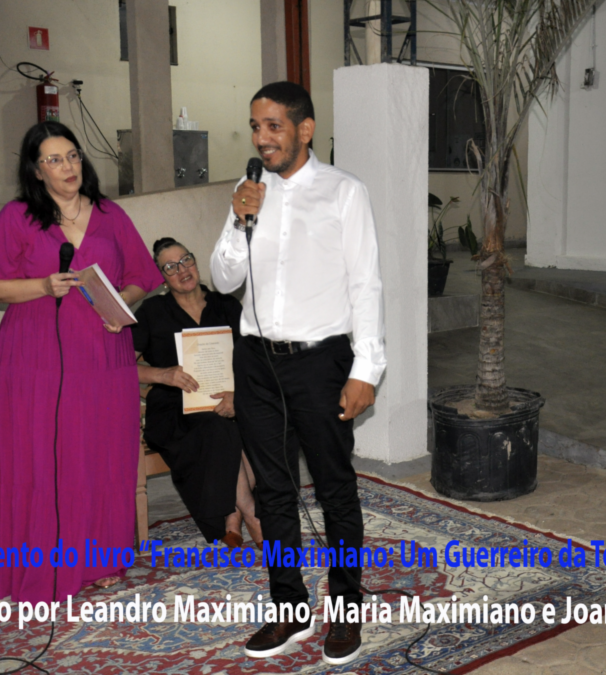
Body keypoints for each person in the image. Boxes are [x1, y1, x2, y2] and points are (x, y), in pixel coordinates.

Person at [210, 81, 385, 667]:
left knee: (334, 488)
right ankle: (290, 607)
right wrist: (238, 220)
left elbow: (366, 284)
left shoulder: (344, 192)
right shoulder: (248, 194)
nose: (261, 138)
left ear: (304, 129)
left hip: (320, 361)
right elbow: (225, 280)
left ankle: (347, 608)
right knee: (274, 489)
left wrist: (367, 369)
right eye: (255, 127)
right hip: (256, 363)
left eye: (273, 126)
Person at [0, 121, 163, 603]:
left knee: (98, 454)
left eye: (71, 155)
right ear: (36, 170)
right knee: (40, 458)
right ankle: (35, 563)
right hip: (35, 357)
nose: (67, 166)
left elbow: (142, 275)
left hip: (103, 352)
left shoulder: (110, 214)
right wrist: (43, 285)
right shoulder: (17, 217)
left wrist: (120, 307)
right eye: (53, 159)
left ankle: (98, 559)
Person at [131, 237, 261, 548]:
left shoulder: (227, 305)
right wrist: (162, 374)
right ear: (162, 277)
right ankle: (252, 514)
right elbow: (121, 367)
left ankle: (231, 519)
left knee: (250, 424)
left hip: (230, 397)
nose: (182, 270)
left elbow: (254, 360)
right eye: (170, 267)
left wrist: (237, 394)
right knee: (221, 428)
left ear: (195, 261)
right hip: (174, 408)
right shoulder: (151, 311)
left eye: (186, 260)